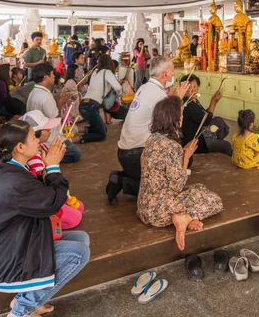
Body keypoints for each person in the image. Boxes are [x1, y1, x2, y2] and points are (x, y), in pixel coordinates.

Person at [0, 120, 90, 317]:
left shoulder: (12, 168)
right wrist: (53, 167)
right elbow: (52, 201)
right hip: (1, 263)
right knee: (79, 254)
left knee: (81, 239)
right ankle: (21, 310)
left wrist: (48, 166)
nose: (38, 140)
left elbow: (43, 196)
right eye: (34, 137)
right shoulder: (14, 179)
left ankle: (30, 299)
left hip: (13, 245)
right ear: (20, 147)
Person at [137, 96, 223, 251]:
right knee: (214, 200)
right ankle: (184, 218)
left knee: (199, 188)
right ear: (174, 118)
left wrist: (182, 154)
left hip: (144, 206)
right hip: (160, 210)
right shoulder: (172, 147)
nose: (182, 117)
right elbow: (177, 186)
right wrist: (186, 157)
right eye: (181, 113)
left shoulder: (152, 139)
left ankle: (184, 217)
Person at [107, 56, 189, 205]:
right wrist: (178, 98)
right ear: (165, 74)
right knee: (163, 188)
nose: (173, 75)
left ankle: (124, 176)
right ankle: (123, 182)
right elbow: (173, 120)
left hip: (127, 152)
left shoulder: (146, 87)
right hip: (136, 154)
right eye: (172, 71)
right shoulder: (158, 94)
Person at [21, 110, 85, 230]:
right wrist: (53, 164)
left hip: (50, 193)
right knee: (76, 217)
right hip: (45, 198)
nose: (50, 131)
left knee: (79, 206)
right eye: (47, 129)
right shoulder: (33, 156)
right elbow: (46, 184)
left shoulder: (43, 148)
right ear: (36, 134)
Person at [26, 63, 81, 163]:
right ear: (45, 77)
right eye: (52, 74)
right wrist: (60, 103)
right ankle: (46, 156)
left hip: (38, 135)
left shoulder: (34, 92)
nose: (54, 76)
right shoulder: (45, 96)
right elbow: (55, 119)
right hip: (48, 140)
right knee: (75, 153)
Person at [180, 74, 232, 156]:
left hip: (202, 130)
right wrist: (213, 102)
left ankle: (215, 144)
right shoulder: (188, 104)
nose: (193, 90)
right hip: (198, 140)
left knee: (219, 121)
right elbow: (206, 120)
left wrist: (214, 100)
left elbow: (204, 114)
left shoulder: (194, 100)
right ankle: (213, 146)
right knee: (227, 145)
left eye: (195, 87)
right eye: (189, 88)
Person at [79, 54, 121, 143]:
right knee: (102, 135)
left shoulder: (95, 72)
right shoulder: (107, 72)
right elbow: (118, 88)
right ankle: (78, 138)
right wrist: (119, 94)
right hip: (91, 106)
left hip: (84, 104)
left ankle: (77, 130)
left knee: (103, 129)